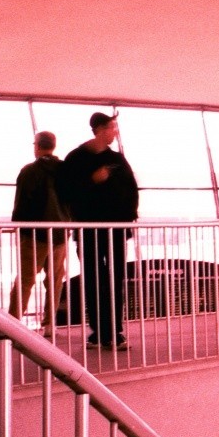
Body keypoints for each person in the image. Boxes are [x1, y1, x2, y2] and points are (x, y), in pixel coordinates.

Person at [58, 113, 139, 351]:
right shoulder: (76, 159)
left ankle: (114, 331)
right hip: (89, 231)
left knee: (114, 279)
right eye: (112, 128)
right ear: (100, 129)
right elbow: (65, 193)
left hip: (115, 231)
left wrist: (128, 221)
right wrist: (91, 180)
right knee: (94, 280)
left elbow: (131, 189)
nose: (115, 132)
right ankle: (99, 332)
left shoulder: (117, 159)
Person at [8, 132, 69, 336]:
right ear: (53, 145)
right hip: (60, 234)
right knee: (55, 279)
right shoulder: (64, 171)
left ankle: (13, 323)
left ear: (37, 146)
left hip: (35, 235)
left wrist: (20, 229)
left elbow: (21, 204)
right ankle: (50, 324)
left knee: (25, 280)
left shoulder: (29, 171)